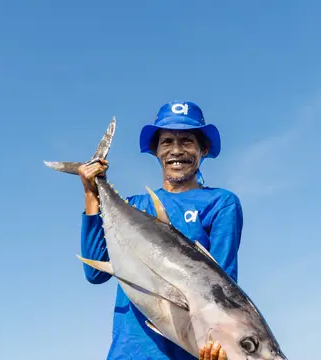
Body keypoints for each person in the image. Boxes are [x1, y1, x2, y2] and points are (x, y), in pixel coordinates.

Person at [78, 100, 243, 360]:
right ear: (156, 150)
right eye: (167, 141)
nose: (176, 150)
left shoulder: (221, 203)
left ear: (204, 148)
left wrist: (224, 346)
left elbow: (222, 288)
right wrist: (91, 191)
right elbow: (95, 273)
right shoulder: (134, 206)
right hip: (128, 352)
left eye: (187, 140)